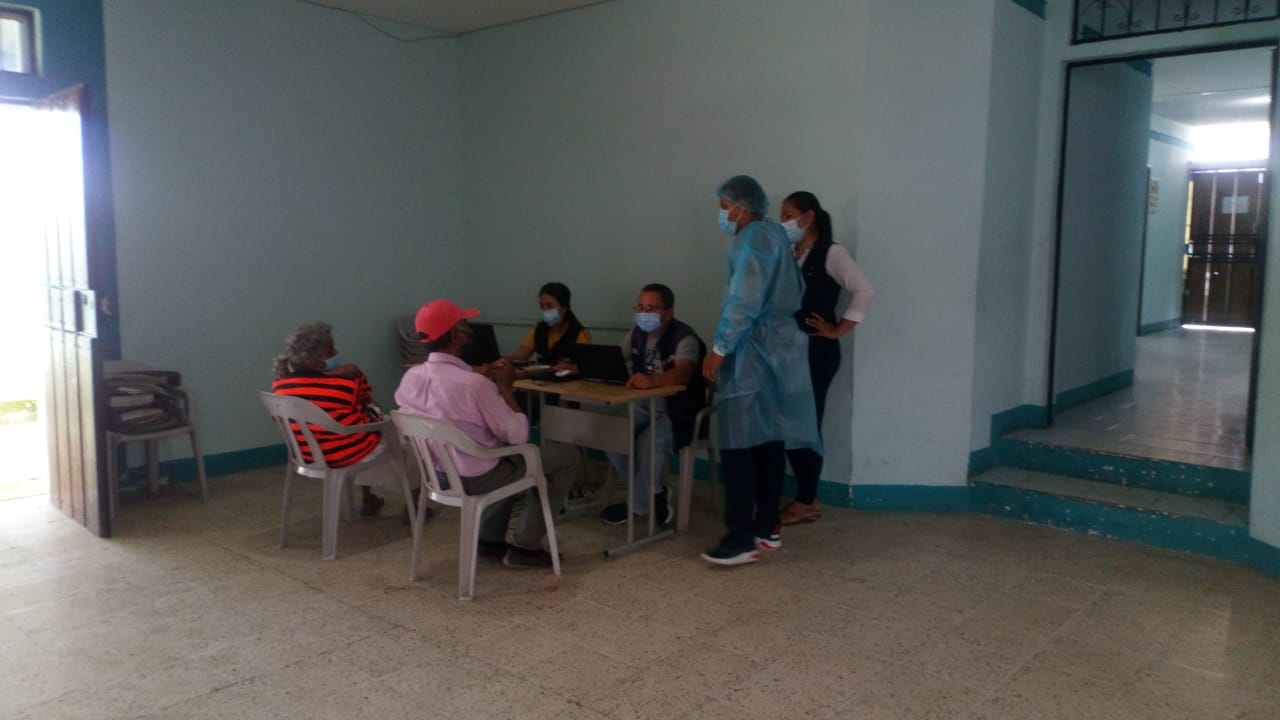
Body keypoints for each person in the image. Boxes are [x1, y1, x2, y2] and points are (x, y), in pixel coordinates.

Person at [395, 299, 579, 568]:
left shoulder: (412, 377)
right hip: (476, 479)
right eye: (466, 326)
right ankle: (526, 546)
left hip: (438, 475)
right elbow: (517, 436)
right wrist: (506, 388)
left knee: (495, 451)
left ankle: (489, 539)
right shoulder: (474, 386)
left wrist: (478, 375)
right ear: (456, 336)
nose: (470, 331)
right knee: (564, 456)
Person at [700, 175, 820, 567]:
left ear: (741, 207)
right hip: (779, 350)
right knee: (769, 440)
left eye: (724, 207)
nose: (722, 215)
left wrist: (720, 348)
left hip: (753, 351)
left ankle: (740, 539)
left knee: (738, 445)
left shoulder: (751, 239)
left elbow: (743, 300)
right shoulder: (774, 235)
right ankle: (767, 528)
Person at [778, 191, 875, 525]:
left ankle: (807, 500)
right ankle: (803, 495)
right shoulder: (790, 253)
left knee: (805, 424)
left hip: (815, 351)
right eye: (781, 215)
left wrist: (838, 330)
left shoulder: (832, 253)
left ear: (808, 217)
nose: (783, 221)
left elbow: (865, 291)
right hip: (787, 351)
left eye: (788, 214)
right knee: (787, 423)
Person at [600, 284, 707, 526]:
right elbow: (617, 358)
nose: (643, 314)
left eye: (650, 308)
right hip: (641, 404)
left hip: (678, 410)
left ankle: (637, 505)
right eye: (640, 308)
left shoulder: (684, 337)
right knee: (610, 433)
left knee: (648, 442)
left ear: (668, 312)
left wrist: (652, 380)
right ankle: (655, 493)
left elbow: (683, 374)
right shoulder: (637, 333)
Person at [271, 322, 387, 517]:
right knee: (378, 427)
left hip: (305, 455)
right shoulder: (346, 382)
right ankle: (377, 498)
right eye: (331, 350)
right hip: (345, 453)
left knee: (356, 422)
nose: (337, 352)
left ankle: (369, 498)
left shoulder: (280, 386)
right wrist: (356, 371)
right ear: (316, 362)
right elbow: (369, 400)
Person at [510, 282, 592, 366]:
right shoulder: (539, 330)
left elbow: (584, 366)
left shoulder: (579, 334)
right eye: (541, 306)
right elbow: (518, 358)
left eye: (550, 306)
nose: (544, 310)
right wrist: (505, 362)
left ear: (564, 308)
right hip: (541, 374)